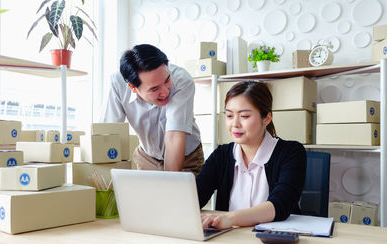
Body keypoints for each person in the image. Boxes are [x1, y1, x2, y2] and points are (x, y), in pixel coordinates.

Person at [197, 81, 306, 229]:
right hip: (229, 240)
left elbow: (281, 204)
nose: (234, 124)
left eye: (244, 116)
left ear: (266, 118)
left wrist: (230, 218)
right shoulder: (221, 155)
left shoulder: (291, 152)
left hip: (273, 242)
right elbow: (196, 196)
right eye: (229, 115)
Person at [101, 44, 204, 176]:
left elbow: (174, 136)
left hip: (186, 157)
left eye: (167, 81)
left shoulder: (182, 80)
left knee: (180, 195)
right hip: (147, 157)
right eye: (155, 89)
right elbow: (110, 133)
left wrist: (171, 184)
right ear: (133, 87)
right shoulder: (117, 83)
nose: (165, 92)